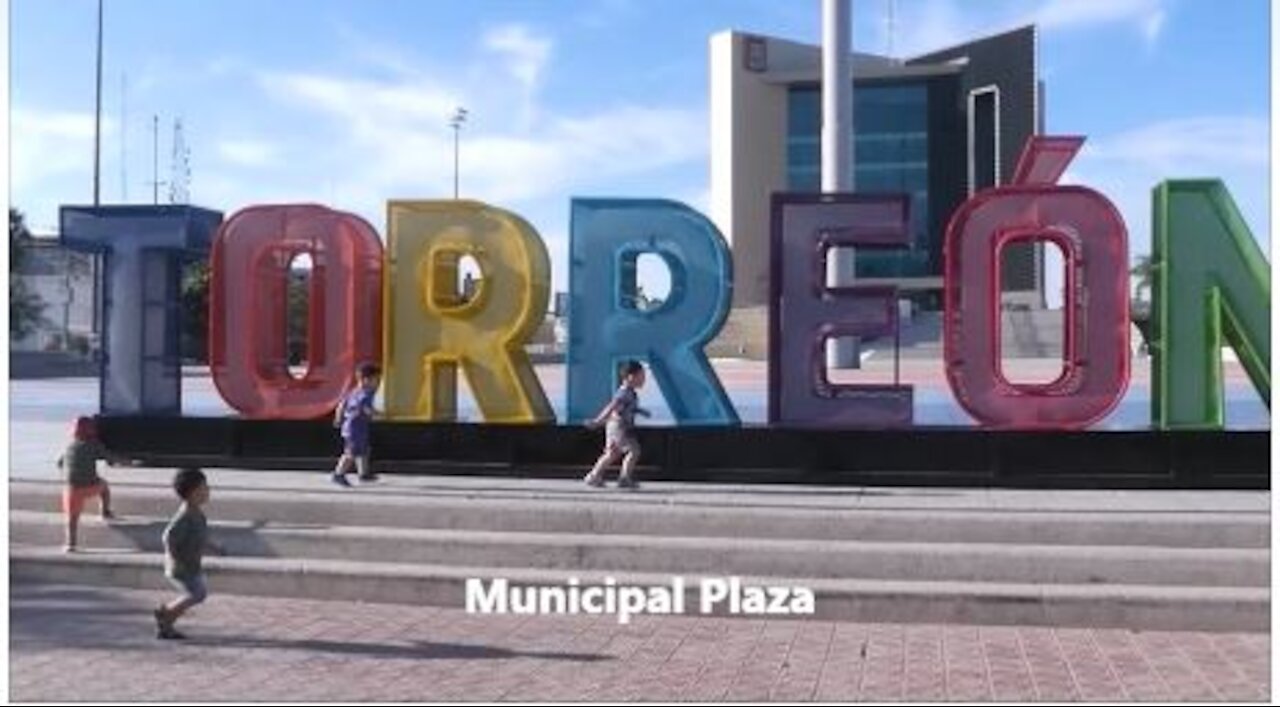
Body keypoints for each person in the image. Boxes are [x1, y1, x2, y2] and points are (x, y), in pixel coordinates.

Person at [153, 467, 223, 640]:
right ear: (192, 493)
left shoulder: (197, 514)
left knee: (196, 594)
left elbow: (200, 537)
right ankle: (166, 613)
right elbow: (168, 537)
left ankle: (167, 624)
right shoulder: (184, 516)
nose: (208, 491)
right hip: (181, 567)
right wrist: (175, 558)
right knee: (197, 594)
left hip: (191, 564)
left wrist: (214, 548)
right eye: (203, 488)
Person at [56, 416, 122, 553]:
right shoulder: (94, 444)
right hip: (90, 485)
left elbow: (59, 463)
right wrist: (125, 461)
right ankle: (105, 512)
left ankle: (71, 545)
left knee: (71, 519)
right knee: (104, 487)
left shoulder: (70, 445)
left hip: (71, 488)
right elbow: (110, 458)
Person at [583, 360, 651, 490]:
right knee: (634, 450)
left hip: (614, 426)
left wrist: (641, 411)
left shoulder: (629, 392)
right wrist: (597, 421)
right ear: (630, 377)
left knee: (612, 453)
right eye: (641, 376)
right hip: (620, 426)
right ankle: (624, 479)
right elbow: (612, 407)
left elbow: (627, 407)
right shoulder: (624, 392)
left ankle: (593, 476)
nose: (643, 380)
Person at [332, 362, 381, 487]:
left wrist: (338, 418)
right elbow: (365, 408)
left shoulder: (353, 391)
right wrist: (377, 414)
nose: (378, 383)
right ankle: (339, 474)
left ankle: (363, 473)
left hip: (352, 427)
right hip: (356, 428)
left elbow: (342, 405)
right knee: (351, 453)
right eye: (376, 380)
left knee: (363, 450)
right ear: (366, 380)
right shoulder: (367, 394)